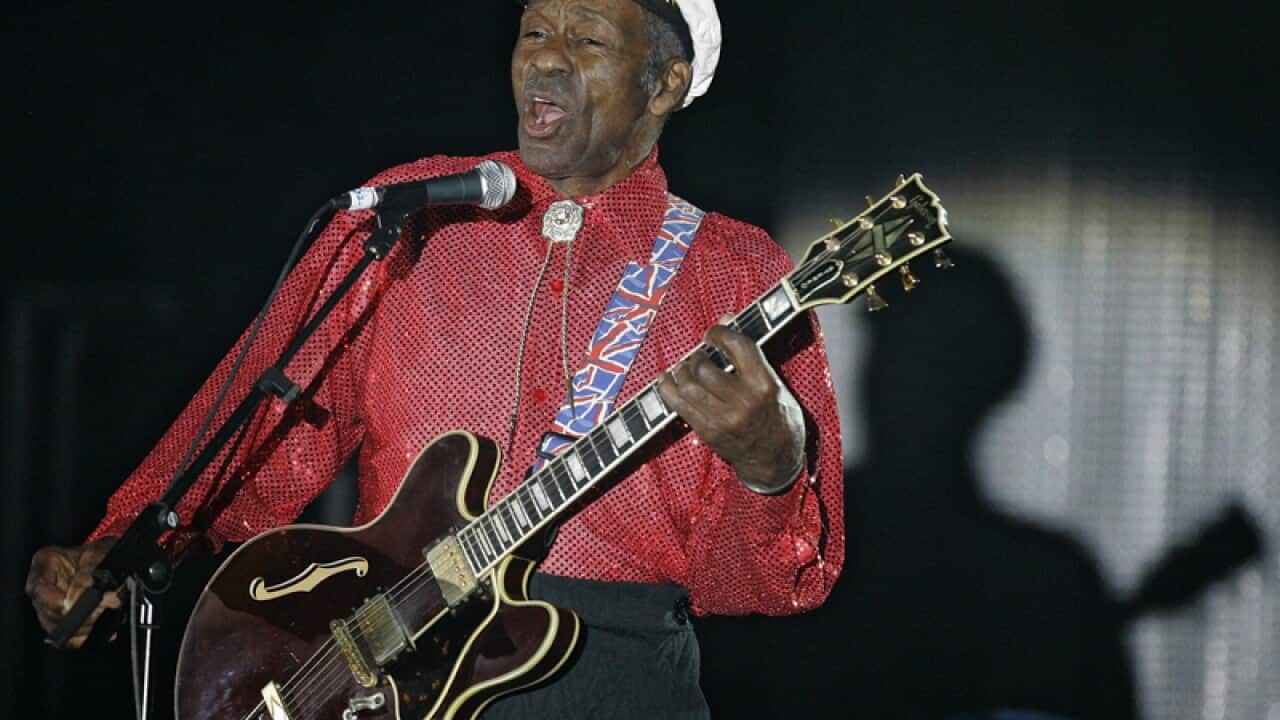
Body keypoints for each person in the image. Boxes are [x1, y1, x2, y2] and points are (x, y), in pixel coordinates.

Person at [26, 0, 844, 716]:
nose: (545, 58)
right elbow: (269, 422)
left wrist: (770, 467)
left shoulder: (735, 273)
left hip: (609, 681)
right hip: (380, 668)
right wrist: (126, 547)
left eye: (588, 39)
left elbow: (765, 588)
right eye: (533, 30)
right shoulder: (417, 211)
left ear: (665, 84)